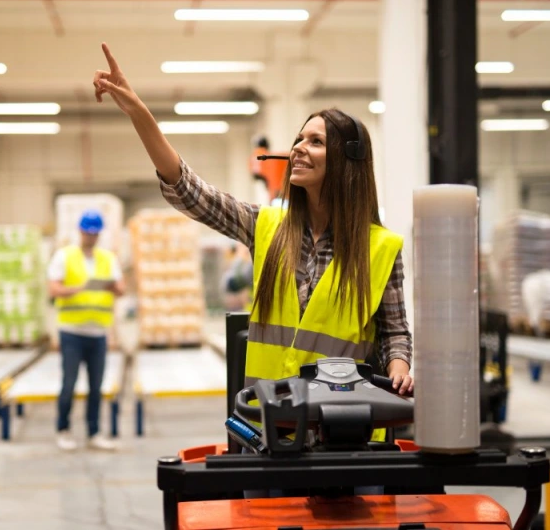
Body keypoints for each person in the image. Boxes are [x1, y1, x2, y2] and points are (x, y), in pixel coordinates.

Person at [92, 42, 413, 399]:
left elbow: (394, 332)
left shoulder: (381, 248)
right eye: (299, 139)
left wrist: (399, 367)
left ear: (346, 163)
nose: (298, 148)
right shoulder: (267, 227)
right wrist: (138, 112)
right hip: (270, 419)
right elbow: (187, 189)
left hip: (344, 424)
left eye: (316, 141)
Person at [48, 210, 125, 451]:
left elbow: (121, 289)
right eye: (87, 233)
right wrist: (79, 288)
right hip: (72, 332)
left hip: (98, 333)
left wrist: (110, 286)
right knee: (69, 384)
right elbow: (53, 290)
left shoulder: (107, 259)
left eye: (95, 234)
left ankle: (94, 433)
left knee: (96, 386)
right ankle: (63, 430)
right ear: (80, 232)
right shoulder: (64, 256)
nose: (91, 237)